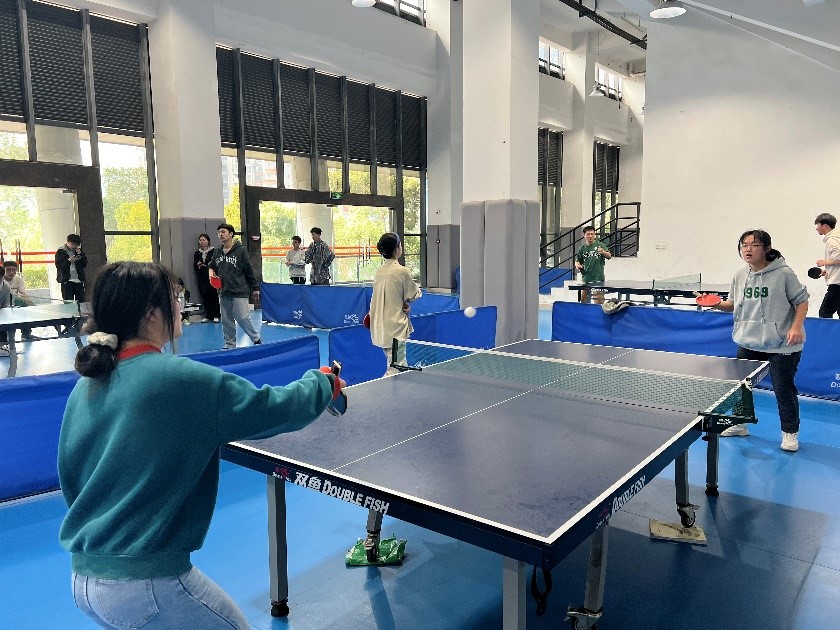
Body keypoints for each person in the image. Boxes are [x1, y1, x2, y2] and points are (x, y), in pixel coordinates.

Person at [58, 261, 343, 630]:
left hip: (85, 577)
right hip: (144, 581)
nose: (181, 306)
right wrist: (322, 384)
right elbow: (273, 409)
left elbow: (71, 476)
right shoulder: (179, 380)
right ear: (152, 313)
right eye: (175, 299)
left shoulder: (86, 385)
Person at [712, 229, 808, 452]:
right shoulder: (739, 275)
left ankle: (790, 433)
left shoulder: (783, 274)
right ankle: (740, 424)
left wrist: (795, 327)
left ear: (767, 248)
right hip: (748, 340)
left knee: (783, 389)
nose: (748, 249)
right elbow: (732, 304)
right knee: (741, 387)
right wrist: (716, 304)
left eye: (754, 245)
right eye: (744, 245)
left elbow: (802, 301)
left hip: (781, 344)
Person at [368, 232, 421, 375]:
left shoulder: (379, 271)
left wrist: (402, 302)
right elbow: (414, 293)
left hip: (380, 327)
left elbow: (390, 296)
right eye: (400, 245)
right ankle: (387, 388)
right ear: (397, 249)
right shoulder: (402, 271)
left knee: (394, 363)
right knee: (397, 368)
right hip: (395, 327)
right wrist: (408, 299)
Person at [208, 223, 262, 349]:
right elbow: (211, 265)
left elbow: (249, 270)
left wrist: (255, 288)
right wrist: (211, 273)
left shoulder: (241, 251)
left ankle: (256, 338)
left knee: (242, 317)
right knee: (226, 320)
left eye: (223, 232)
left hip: (239, 290)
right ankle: (230, 344)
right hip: (224, 291)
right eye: (219, 232)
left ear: (231, 234)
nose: (220, 234)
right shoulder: (217, 251)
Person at [574, 226, 612, 304]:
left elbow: (609, 256)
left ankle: (598, 312)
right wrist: (577, 265)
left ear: (595, 235)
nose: (590, 236)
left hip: (598, 278)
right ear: (584, 235)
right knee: (583, 301)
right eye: (588, 234)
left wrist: (603, 252)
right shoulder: (582, 248)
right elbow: (577, 261)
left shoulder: (600, 245)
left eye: (592, 234)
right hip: (586, 278)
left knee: (598, 301)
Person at [814, 212, 840, 318]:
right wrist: (828, 269)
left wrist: (824, 262)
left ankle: (825, 330)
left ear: (825, 226)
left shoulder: (832, 241)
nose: (816, 228)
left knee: (824, 313)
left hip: (837, 285)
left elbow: (839, 258)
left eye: (818, 225)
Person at [194, 233, 220, 322]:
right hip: (202, 277)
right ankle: (208, 315)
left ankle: (216, 315)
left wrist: (207, 267)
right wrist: (198, 265)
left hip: (212, 276)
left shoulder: (214, 251)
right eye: (200, 240)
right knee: (205, 296)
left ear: (208, 241)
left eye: (204, 240)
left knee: (214, 296)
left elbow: (216, 264)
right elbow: (194, 266)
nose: (202, 242)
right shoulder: (197, 253)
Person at [3, 260, 33, 339]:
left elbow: (23, 293)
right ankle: (7, 338)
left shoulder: (18, 279)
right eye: (8, 270)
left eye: (14, 270)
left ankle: (26, 334)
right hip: (2, 304)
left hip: (14, 304)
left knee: (24, 311)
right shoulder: (1, 279)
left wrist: (28, 302)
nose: (11, 272)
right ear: (4, 270)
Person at [55, 234, 87, 302]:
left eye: (76, 245)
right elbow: (59, 266)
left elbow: (84, 264)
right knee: (69, 302)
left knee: (81, 301)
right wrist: (69, 261)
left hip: (78, 280)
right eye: (72, 244)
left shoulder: (78, 251)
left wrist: (80, 254)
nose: (74, 246)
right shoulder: (61, 252)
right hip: (67, 280)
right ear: (68, 242)